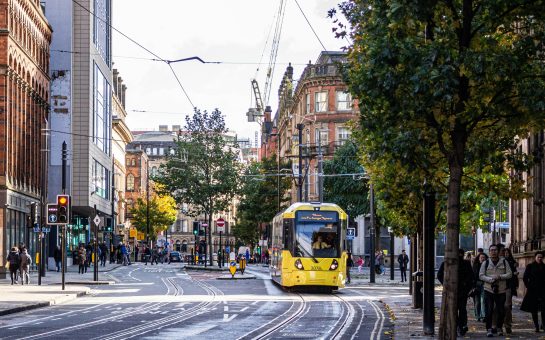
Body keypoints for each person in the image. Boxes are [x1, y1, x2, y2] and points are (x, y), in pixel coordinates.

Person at [438, 248, 475, 336]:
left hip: (462, 291)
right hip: (453, 291)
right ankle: (459, 325)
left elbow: (471, 277)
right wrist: (446, 285)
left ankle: (462, 325)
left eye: (461, 254)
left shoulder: (466, 264)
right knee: (455, 309)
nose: (460, 256)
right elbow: (439, 275)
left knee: (461, 309)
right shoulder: (446, 263)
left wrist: (467, 287)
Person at [480, 244, 513, 337]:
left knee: (501, 310)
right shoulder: (485, 263)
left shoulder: (504, 262)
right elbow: (481, 275)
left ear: (498, 252)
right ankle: (489, 329)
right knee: (489, 310)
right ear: (489, 252)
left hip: (501, 290)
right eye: (491, 250)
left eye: (495, 250)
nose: (493, 252)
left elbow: (510, 274)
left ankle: (499, 328)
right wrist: (490, 279)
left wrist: (500, 277)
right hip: (488, 289)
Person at [521, 251, 545, 332]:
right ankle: (536, 326)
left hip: (543, 290)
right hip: (533, 290)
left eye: (541, 257)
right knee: (534, 309)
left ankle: (543, 325)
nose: (540, 258)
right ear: (535, 257)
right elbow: (525, 278)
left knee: (543, 308)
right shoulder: (530, 266)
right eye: (538, 257)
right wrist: (529, 286)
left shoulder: (544, 266)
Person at [501, 247, 518, 334]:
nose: (506, 254)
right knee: (497, 307)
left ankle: (507, 325)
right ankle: (498, 326)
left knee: (507, 306)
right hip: (498, 286)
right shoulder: (499, 262)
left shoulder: (512, 262)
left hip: (508, 286)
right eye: (504, 253)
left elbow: (514, 273)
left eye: (507, 253)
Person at [472, 252, 488, 322]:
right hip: (476, 285)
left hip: (484, 284)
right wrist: (473, 286)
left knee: (483, 300)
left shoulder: (487, 266)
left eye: (484, 258)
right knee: (477, 301)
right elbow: (472, 277)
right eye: (481, 257)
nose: (482, 259)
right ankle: (477, 316)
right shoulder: (475, 266)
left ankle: (483, 316)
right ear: (478, 259)